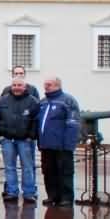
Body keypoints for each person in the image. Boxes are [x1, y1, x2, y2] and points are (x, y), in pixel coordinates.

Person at [0, 76, 40, 202]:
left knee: (27, 167)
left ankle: (29, 192)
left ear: (24, 87)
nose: (16, 88)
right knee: (9, 167)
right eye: (14, 85)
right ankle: (12, 191)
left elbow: (36, 121)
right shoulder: (2, 101)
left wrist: (31, 136)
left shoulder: (33, 101)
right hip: (7, 140)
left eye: (19, 85)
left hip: (25, 140)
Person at [37, 77, 81, 208]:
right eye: (45, 84)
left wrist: (69, 144)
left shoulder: (68, 101)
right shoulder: (43, 102)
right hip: (46, 145)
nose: (46, 87)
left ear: (57, 85)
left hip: (62, 145)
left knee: (64, 172)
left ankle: (66, 197)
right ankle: (52, 195)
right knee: (48, 171)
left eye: (49, 84)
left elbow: (73, 123)